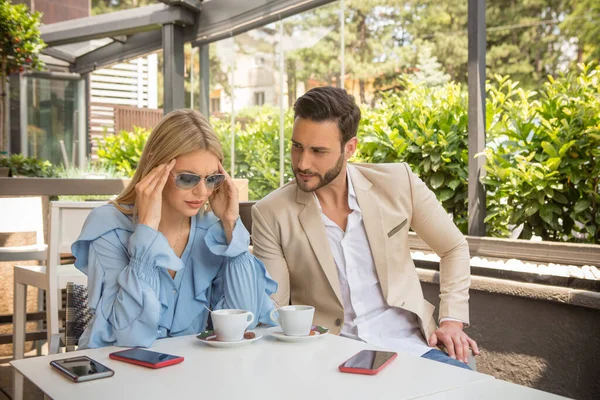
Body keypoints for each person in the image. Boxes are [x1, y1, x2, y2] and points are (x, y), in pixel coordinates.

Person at [251, 87, 479, 369]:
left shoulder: (397, 182)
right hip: (329, 357)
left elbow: (454, 247)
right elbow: (273, 309)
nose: (302, 163)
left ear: (350, 148)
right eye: (297, 146)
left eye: (318, 151)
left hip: (414, 348)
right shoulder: (271, 212)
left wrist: (451, 321)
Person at [72, 109, 277, 348]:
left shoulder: (212, 231)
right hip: (115, 372)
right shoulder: (109, 228)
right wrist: (147, 231)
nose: (202, 192)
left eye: (211, 179)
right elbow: (130, 336)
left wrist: (231, 222)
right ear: (155, 168)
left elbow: (245, 320)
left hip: (186, 374)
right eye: (187, 179)